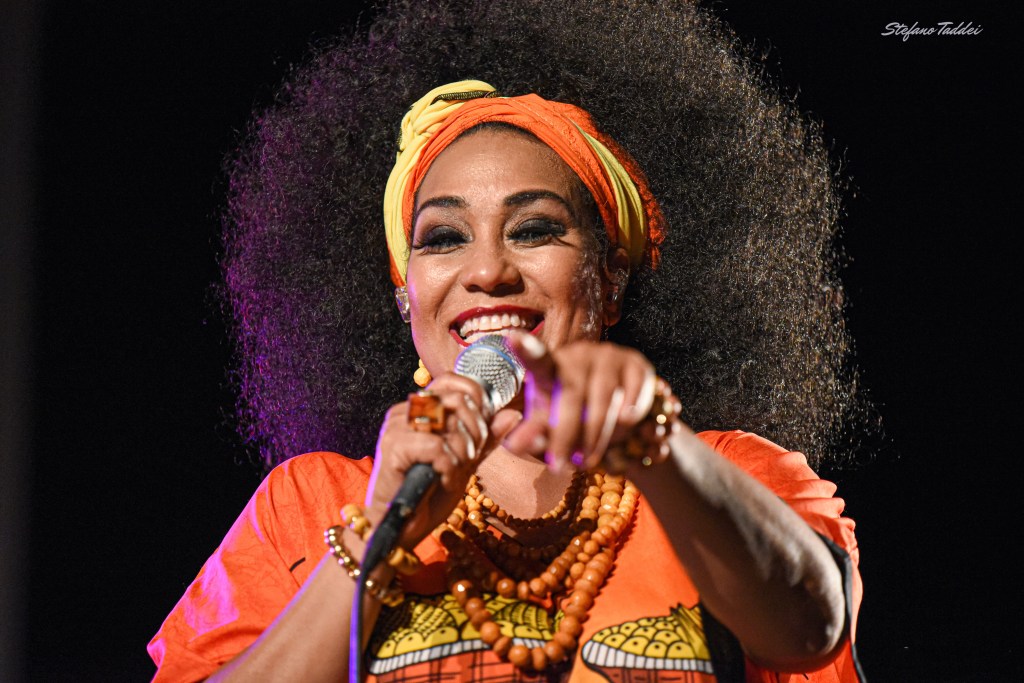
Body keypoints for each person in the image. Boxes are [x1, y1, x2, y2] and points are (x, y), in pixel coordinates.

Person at [148, 1, 872, 681]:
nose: (488, 271)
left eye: (534, 229)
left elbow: (810, 630)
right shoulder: (312, 504)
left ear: (610, 280)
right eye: (444, 238)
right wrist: (379, 535)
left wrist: (658, 447)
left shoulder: (726, 474)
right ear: (405, 298)